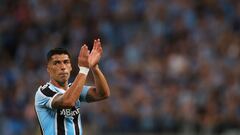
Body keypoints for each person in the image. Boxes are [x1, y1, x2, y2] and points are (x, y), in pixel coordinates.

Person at [34, 39, 110, 135]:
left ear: (70, 67)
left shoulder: (74, 89)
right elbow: (68, 101)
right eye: (56, 63)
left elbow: (103, 94)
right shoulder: (43, 93)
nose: (62, 67)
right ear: (48, 69)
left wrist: (94, 67)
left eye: (66, 62)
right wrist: (84, 69)